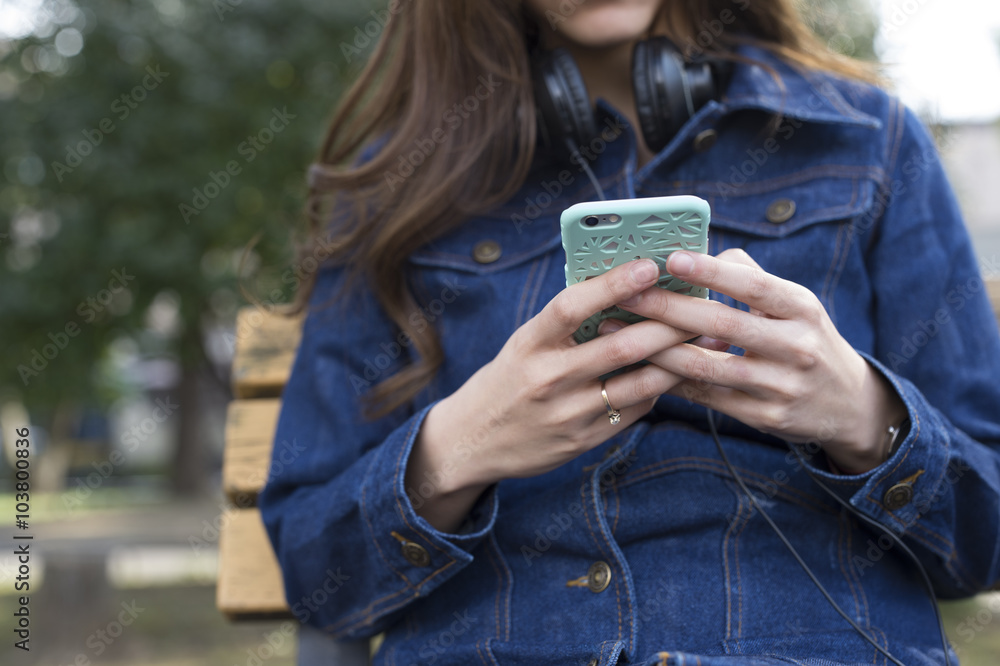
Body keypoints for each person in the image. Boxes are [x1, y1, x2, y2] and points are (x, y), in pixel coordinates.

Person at [258, 1, 1000, 664]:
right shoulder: (396, 184)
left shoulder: (869, 142)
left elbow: (986, 541)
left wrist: (867, 417)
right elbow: (316, 571)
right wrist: (455, 450)